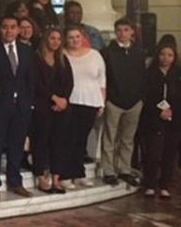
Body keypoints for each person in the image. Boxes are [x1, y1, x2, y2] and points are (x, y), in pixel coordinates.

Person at [0, 15, 35, 200]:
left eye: (13, 27)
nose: (9, 31)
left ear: (18, 30)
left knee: (16, 145)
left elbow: (31, 79)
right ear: (0, 29)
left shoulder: (26, 50)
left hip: (21, 105)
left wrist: (29, 103)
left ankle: (15, 182)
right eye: (5, 27)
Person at [100, 18, 144, 187]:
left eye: (126, 30)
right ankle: (109, 171)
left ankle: (124, 169)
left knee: (128, 138)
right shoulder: (107, 52)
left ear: (132, 32)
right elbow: (105, 77)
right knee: (110, 137)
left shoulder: (138, 52)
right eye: (119, 30)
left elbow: (141, 76)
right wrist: (108, 99)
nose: (122, 33)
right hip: (114, 100)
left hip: (134, 101)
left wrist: (140, 98)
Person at [62, 25, 106, 189]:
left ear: (83, 38)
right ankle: (66, 174)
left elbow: (102, 80)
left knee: (81, 140)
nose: (75, 40)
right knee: (69, 139)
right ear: (66, 39)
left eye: (77, 37)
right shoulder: (63, 55)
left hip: (91, 101)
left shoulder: (95, 55)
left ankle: (78, 173)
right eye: (71, 37)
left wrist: (102, 102)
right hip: (71, 102)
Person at [32, 27, 74, 194]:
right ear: (46, 40)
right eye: (52, 38)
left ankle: (56, 177)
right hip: (42, 106)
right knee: (41, 141)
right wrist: (54, 97)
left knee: (58, 142)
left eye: (58, 39)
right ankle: (41, 176)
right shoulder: (36, 59)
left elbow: (70, 82)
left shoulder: (63, 59)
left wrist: (63, 100)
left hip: (61, 108)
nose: (55, 42)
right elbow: (36, 83)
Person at [140, 42, 180, 199]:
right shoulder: (150, 73)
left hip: (174, 119)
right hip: (153, 118)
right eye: (163, 54)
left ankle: (164, 185)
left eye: (170, 55)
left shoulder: (177, 74)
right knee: (153, 153)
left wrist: (172, 111)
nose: (166, 58)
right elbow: (146, 95)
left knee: (169, 153)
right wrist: (159, 110)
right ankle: (150, 184)